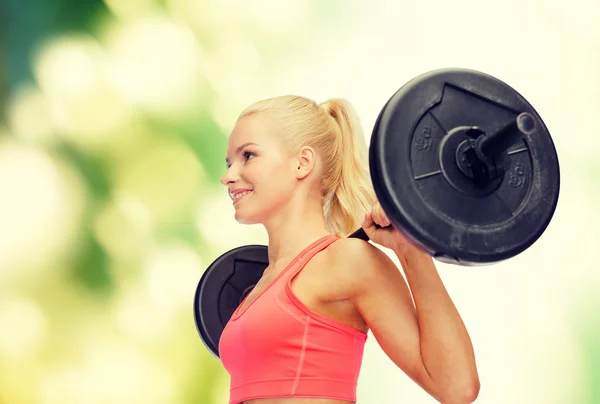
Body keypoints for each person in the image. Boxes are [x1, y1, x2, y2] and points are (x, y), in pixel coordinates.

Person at [219, 95, 480, 404]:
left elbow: (457, 387)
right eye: (228, 163)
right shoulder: (259, 287)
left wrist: (411, 251)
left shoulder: (347, 261)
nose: (228, 176)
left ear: (303, 162)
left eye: (248, 155)